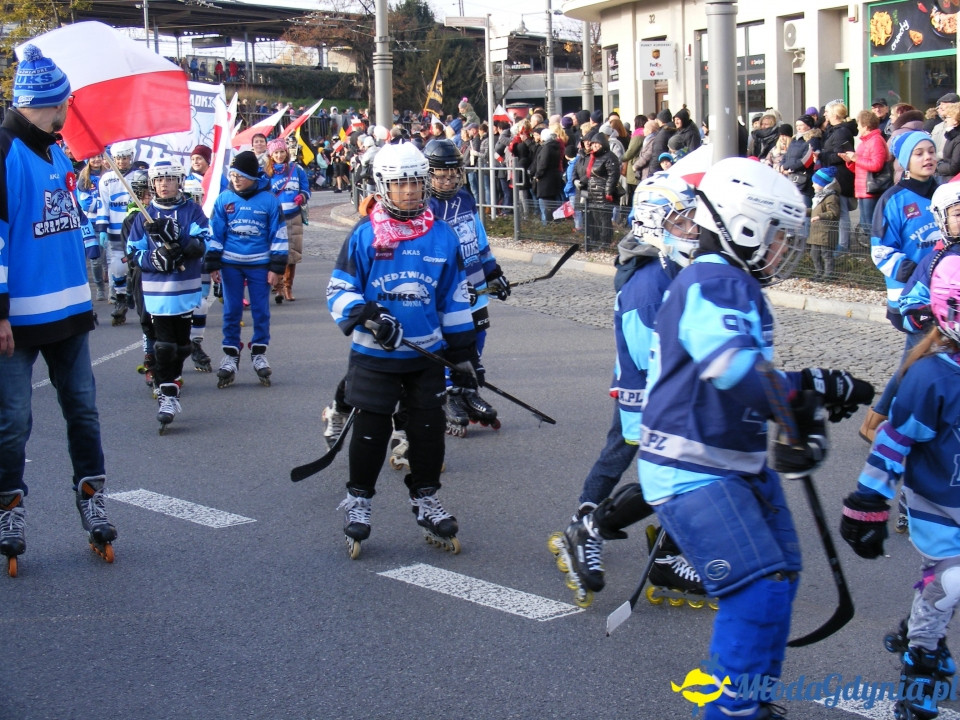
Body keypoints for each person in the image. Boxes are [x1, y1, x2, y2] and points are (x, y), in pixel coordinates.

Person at [637, 157, 873, 720]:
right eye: (776, 236)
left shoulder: (731, 279)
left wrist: (807, 395)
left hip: (729, 462)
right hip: (690, 467)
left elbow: (750, 378)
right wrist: (798, 398)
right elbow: (734, 369)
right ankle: (730, 711)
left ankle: (752, 703)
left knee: (781, 576)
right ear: (744, 225)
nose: (781, 250)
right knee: (759, 589)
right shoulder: (715, 279)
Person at [552, 175, 706, 606]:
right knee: (645, 462)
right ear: (655, 226)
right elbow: (649, 355)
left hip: (675, 387)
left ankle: (667, 546)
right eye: (682, 222)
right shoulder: (647, 285)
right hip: (650, 390)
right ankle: (585, 522)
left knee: (668, 467)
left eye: (693, 219)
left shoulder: (675, 265)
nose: (692, 229)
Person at [325, 142, 478, 559]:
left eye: (415, 181)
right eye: (399, 184)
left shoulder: (442, 235)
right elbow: (338, 291)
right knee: (372, 433)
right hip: (375, 357)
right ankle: (359, 500)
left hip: (425, 357)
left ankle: (425, 499)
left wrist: (463, 355)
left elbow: (455, 297)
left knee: (427, 435)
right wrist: (369, 317)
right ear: (382, 185)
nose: (410, 191)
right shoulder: (365, 234)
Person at [0, 44, 117, 574]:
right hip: (18, 318)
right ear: (50, 100)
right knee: (12, 422)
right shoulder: (5, 150)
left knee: (84, 413)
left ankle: (92, 498)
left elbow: (67, 219)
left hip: (70, 309)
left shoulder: (59, 148)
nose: (70, 109)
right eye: (66, 100)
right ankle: (9, 508)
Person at [841, 253, 960, 720]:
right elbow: (894, 442)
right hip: (936, 500)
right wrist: (869, 502)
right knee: (948, 580)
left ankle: (919, 626)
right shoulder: (933, 377)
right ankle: (919, 670)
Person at [859, 131, 941, 441]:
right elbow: (880, 249)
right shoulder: (893, 199)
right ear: (906, 161)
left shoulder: (946, 193)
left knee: (924, 358)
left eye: (931, 151)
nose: (928, 157)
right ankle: (875, 421)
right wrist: (915, 270)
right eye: (919, 153)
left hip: (946, 293)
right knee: (916, 358)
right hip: (912, 297)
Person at [424, 138, 509, 433]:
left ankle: (467, 389)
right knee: (452, 340)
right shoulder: (426, 208)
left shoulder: (466, 199)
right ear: (428, 175)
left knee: (477, 336)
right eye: (441, 176)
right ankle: (448, 394)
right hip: (448, 290)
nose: (448, 182)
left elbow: (479, 238)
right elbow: (429, 255)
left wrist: (493, 272)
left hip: (474, 282)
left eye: (453, 175)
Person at [125, 160, 209, 430]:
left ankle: (171, 383)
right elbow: (133, 252)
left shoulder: (192, 210)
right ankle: (167, 395)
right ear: (153, 184)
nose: (164, 184)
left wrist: (180, 241)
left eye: (169, 179)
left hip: (184, 287)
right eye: (159, 180)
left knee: (183, 346)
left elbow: (203, 243)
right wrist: (156, 258)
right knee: (164, 345)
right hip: (157, 290)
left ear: (179, 181)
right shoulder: (143, 214)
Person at [205, 151, 288, 388]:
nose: (235, 179)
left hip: (260, 264)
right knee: (231, 310)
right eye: (232, 175)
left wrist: (276, 267)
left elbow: (279, 236)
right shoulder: (224, 199)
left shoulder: (269, 201)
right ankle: (231, 354)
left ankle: (259, 352)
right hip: (230, 264)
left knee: (261, 310)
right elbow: (215, 233)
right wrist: (213, 263)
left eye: (240, 175)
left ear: (252, 176)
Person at [95, 140, 137, 325]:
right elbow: (103, 206)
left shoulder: (139, 176)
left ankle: (140, 298)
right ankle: (120, 300)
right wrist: (101, 229)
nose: (121, 162)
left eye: (125, 158)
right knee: (118, 268)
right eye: (118, 158)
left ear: (131, 157)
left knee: (140, 269)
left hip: (136, 231)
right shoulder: (106, 179)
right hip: (115, 232)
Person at [264, 138, 310, 304]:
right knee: (276, 252)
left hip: (293, 214)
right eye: (276, 152)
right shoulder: (266, 173)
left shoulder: (296, 170)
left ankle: (288, 286)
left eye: (282, 151)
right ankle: (278, 287)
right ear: (271, 154)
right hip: (275, 217)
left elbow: (305, 188)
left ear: (287, 152)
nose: (279, 155)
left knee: (293, 253)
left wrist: (302, 196)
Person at [843, 109, 891, 231]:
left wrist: (856, 158)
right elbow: (861, 166)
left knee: (871, 226)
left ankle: (876, 249)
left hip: (872, 189)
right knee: (866, 226)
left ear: (866, 126)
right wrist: (850, 161)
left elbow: (877, 165)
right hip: (864, 188)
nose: (858, 127)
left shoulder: (875, 140)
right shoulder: (865, 142)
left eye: (859, 124)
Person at [574, 131, 620, 249]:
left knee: (605, 220)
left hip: (603, 193)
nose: (594, 146)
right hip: (593, 193)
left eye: (597, 144)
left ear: (602, 144)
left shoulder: (610, 156)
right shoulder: (594, 157)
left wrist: (608, 192)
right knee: (595, 218)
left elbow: (613, 175)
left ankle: (606, 242)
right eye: (593, 144)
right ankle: (597, 240)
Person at [77, 153, 107, 301]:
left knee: (109, 256)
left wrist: (102, 203)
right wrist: (103, 203)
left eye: (99, 156)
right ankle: (100, 288)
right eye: (93, 157)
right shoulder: (83, 178)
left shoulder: (108, 176)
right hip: (90, 223)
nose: (96, 160)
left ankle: (114, 293)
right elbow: (86, 205)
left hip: (107, 220)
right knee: (95, 258)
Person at [807, 168, 842, 281]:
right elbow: (814, 211)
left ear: (823, 184)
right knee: (814, 254)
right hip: (816, 232)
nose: (813, 185)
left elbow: (834, 213)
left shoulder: (831, 197)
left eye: (815, 183)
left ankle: (828, 274)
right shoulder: (818, 197)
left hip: (826, 232)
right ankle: (819, 272)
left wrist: (820, 216)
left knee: (826, 254)